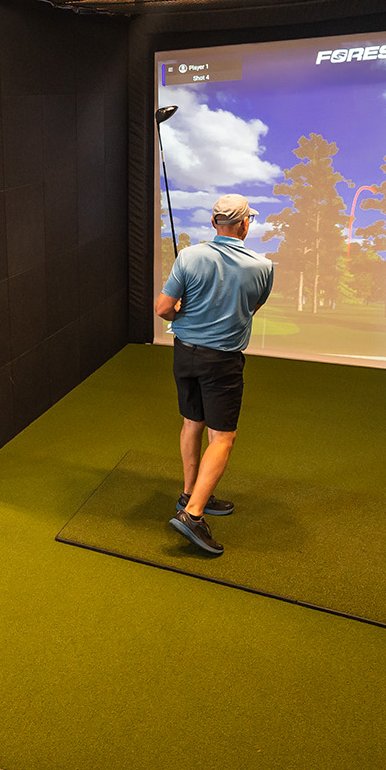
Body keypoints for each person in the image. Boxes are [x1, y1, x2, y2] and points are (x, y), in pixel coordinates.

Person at [155, 195, 274, 557]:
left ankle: (191, 494)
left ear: (213, 223)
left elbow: (163, 309)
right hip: (222, 361)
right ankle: (192, 515)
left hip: (185, 355)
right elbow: (251, 308)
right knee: (222, 437)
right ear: (244, 224)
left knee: (193, 422)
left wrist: (180, 314)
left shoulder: (189, 256)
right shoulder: (262, 266)